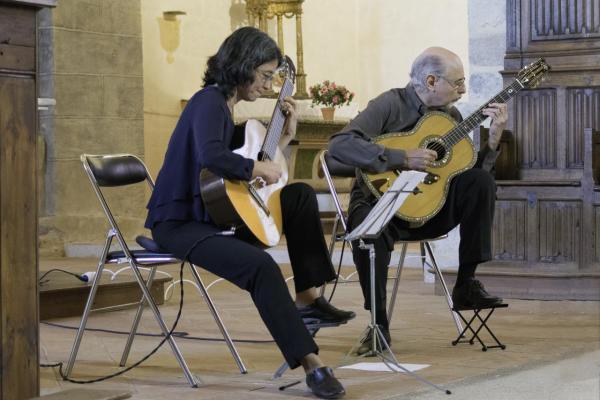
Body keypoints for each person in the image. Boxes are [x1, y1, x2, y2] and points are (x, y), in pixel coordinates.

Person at [146, 27, 353, 399]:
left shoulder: (226, 108)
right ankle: (313, 367)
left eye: (273, 77)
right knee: (262, 267)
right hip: (179, 224)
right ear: (241, 66)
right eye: (264, 76)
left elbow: (246, 168)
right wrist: (259, 170)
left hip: (212, 215)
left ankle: (307, 297)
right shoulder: (207, 102)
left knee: (300, 195)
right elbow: (213, 157)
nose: (269, 85)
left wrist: (285, 139)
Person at [328, 47, 507, 355]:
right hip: (379, 202)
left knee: (481, 182)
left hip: (428, 207)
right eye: (458, 82)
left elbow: (463, 176)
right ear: (431, 80)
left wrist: (492, 142)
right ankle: (378, 325)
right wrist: (400, 157)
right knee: (369, 232)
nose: (463, 89)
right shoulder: (389, 104)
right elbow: (339, 146)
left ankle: (466, 284)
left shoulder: (450, 117)